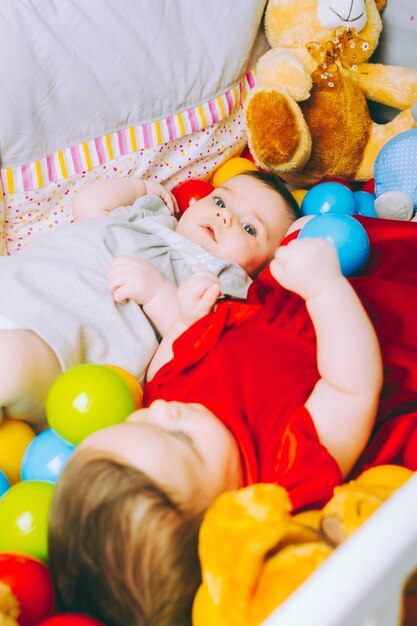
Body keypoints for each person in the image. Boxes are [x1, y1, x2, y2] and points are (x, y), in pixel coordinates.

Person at [50, 216, 417, 626]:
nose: (162, 410)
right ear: (225, 513)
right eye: (180, 440)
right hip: (365, 327)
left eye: (136, 422)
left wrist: (171, 305)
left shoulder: (172, 406)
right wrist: (325, 289)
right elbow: (353, 387)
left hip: (283, 298)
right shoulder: (283, 472)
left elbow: (170, 361)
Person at [0, 170, 299, 428]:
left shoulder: (219, 282)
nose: (225, 215)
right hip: (20, 283)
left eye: (249, 228)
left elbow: (196, 343)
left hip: (61, 342)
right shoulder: (151, 218)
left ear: (261, 271)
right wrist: (141, 188)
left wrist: (157, 292)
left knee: (10, 362)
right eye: (220, 201)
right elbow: (88, 204)